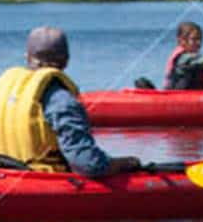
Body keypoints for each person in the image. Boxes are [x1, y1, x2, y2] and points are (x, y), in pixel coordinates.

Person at [27, 26, 140, 177]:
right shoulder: (62, 101)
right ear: (66, 61)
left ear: (28, 58)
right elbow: (89, 165)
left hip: (12, 170)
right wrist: (127, 163)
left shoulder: (13, 94)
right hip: (45, 180)